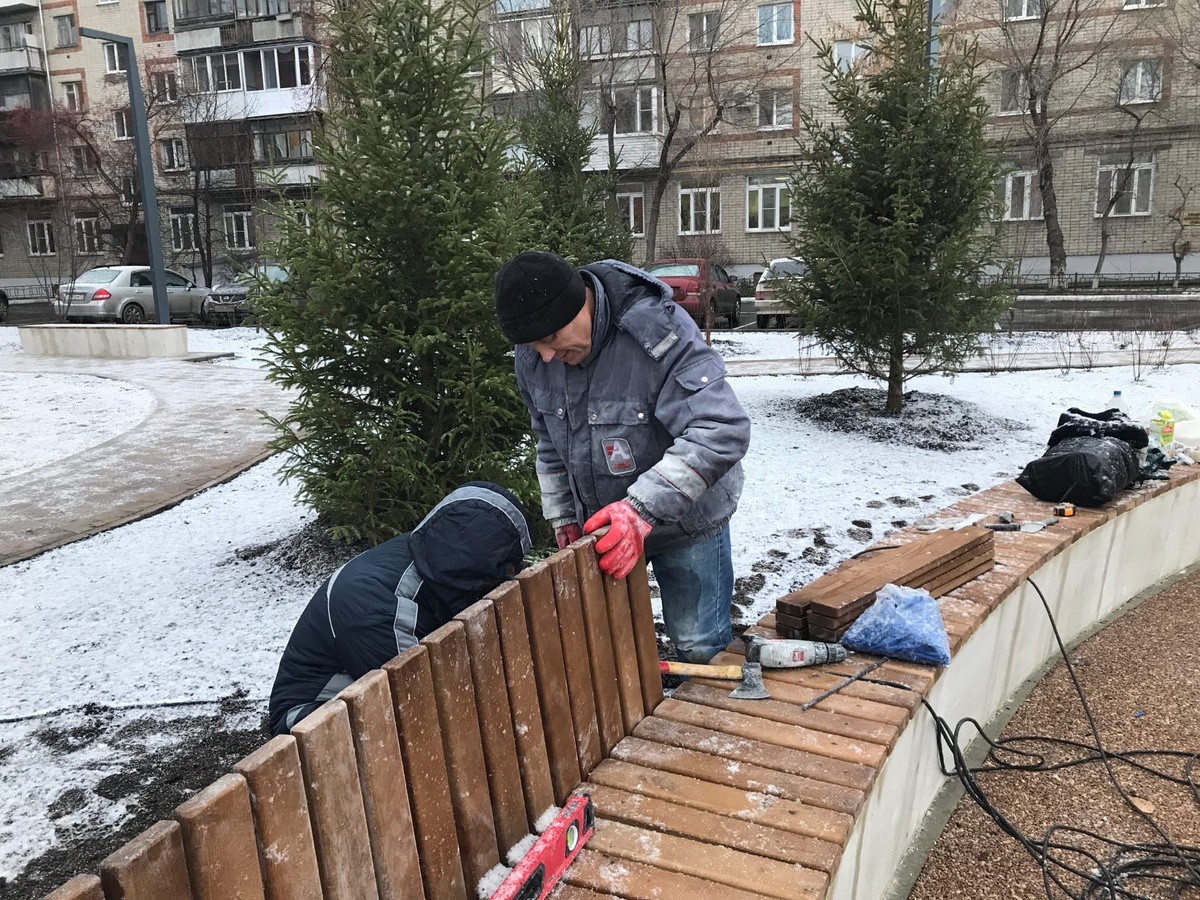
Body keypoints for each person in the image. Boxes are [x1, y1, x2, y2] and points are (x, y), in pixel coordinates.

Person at [494, 251, 751, 664]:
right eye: (532, 344)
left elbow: (722, 429)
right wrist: (564, 517)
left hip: (688, 524)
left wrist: (640, 509)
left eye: (551, 338)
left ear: (579, 305)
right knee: (616, 657)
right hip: (605, 529)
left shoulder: (656, 331)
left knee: (698, 649)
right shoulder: (535, 356)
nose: (543, 356)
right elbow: (547, 441)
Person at [268, 482, 531, 734]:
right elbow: (419, 703)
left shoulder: (441, 553)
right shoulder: (384, 611)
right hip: (310, 722)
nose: (506, 581)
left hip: (364, 692)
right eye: (503, 572)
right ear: (476, 569)